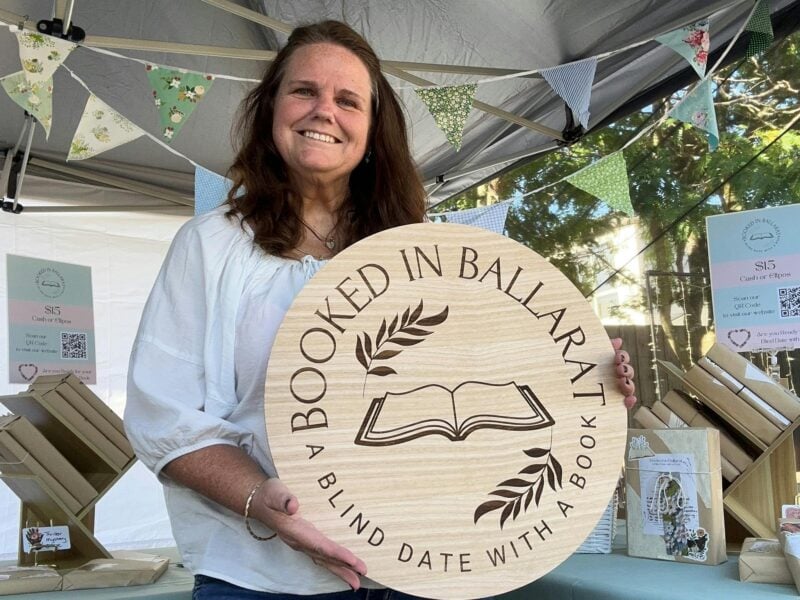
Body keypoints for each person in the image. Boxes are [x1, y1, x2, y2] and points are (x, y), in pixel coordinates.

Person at [124, 20, 637, 600]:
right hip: (261, 577)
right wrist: (258, 497)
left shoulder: (422, 250)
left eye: (348, 100)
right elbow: (162, 416)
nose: (324, 110)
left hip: (419, 567)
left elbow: (483, 366)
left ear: (373, 129)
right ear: (270, 109)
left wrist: (587, 382)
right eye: (304, 91)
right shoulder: (211, 246)